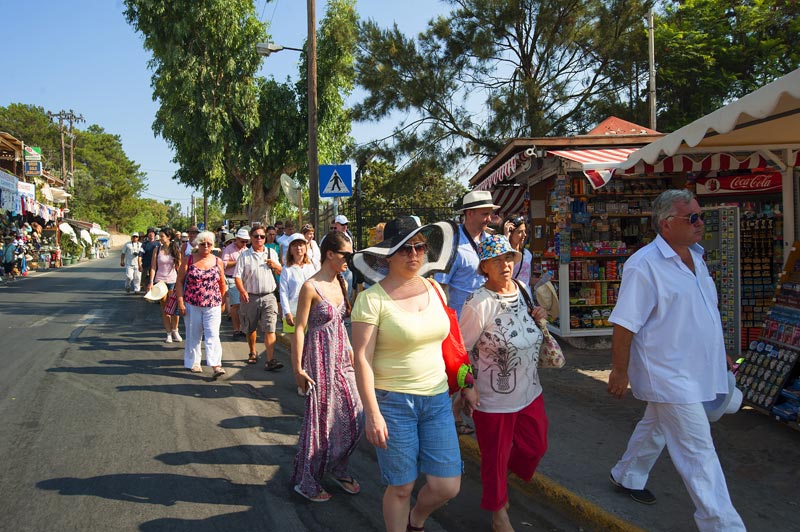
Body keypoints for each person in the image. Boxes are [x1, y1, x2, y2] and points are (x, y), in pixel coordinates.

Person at [607, 190, 745, 531]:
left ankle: (628, 474)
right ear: (667, 224)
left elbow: (702, 311)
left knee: (657, 427)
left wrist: (719, 350)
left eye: (700, 216)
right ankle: (723, 525)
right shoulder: (644, 265)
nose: (701, 223)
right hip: (668, 374)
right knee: (699, 453)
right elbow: (625, 324)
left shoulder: (696, 258)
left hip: (693, 368)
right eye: (693, 218)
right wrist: (619, 371)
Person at [351, 216, 475, 532]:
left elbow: (451, 342)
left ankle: (416, 520)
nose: (414, 255)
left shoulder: (435, 288)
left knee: (448, 485)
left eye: (419, 247)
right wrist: (372, 414)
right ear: (387, 255)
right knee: (402, 486)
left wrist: (466, 383)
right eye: (405, 249)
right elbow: (361, 360)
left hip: (436, 400)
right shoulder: (370, 300)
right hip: (393, 403)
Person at [459, 234, 548, 532]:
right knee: (494, 458)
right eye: (496, 260)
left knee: (534, 447)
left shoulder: (522, 289)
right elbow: (461, 350)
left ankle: (498, 482)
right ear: (484, 266)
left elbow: (528, 325)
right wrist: (466, 386)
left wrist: (539, 317)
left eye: (508, 258)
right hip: (493, 399)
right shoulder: (478, 303)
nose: (505, 264)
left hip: (530, 390)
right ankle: (499, 513)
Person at [290, 231, 364, 502]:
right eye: (346, 254)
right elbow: (300, 328)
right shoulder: (311, 287)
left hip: (342, 359)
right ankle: (307, 481)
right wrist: (297, 368)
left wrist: (353, 351)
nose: (349, 259)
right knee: (321, 423)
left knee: (356, 417)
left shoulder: (343, 282)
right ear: (330, 254)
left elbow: (343, 324)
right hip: (319, 360)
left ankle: (337, 466)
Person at [435, 190, 500, 435]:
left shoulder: (490, 241)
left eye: (490, 213)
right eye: (484, 213)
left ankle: (466, 414)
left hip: (491, 319)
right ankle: (452, 416)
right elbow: (442, 286)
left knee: (482, 372)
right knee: (463, 373)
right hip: (462, 324)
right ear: (469, 213)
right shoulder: (453, 246)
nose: (488, 218)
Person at [175, 230, 227, 376]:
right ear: (198, 244)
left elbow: (222, 283)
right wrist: (180, 302)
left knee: (213, 334)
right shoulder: (189, 260)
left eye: (209, 244)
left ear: (212, 246)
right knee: (194, 334)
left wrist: (223, 301)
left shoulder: (218, 261)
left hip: (213, 304)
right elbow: (179, 281)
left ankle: (216, 365)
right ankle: (194, 362)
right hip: (192, 304)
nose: (205, 246)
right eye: (203, 243)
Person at [234, 225, 284, 371]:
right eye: (256, 236)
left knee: (270, 327)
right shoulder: (244, 255)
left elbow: (282, 272)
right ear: (251, 238)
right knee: (251, 327)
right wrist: (242, 291)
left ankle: (270, 360)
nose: (259, 239)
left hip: (269, 296)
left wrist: (275, 266)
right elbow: (237, 276)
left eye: (262, 236)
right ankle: (253, 351)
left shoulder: (271, 253)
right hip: (251, 296)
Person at [279, 233, 317, 349]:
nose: (298, 248)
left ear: (306, 248)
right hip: (293, 313)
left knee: (311, 344)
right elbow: (283, 292)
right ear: (290, 249)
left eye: (301, 245)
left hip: (311, 311)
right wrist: (287, 312)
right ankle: (297, 367)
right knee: (297, 346)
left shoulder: (312, 266)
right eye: (295, 246)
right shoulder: (287, 269)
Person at [147, 228, 183, 343]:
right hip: (160, 281)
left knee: (175, 309)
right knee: (165, 309)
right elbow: (153, 267)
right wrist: (151, 282)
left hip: (173, 281)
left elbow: (179, 267)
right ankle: (168, 333)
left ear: (168, 237)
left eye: (162, 236)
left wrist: (180, 282)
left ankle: (175, 330)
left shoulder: (175, 249)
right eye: (160, 236)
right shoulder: (156, 250)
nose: (160, 238)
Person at [222, 228, 250, 339]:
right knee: (236, 305)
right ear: (236, 239)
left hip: (244, 280)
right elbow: (223, 264)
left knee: (244, 305)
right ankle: (236, 329)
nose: (244, 243)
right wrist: (238, 262)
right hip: (232, 279)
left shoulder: (246, 250)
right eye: (242, 241)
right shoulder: (229, 249)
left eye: (246, 241)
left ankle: (243, 328)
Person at [503, 215, 533, 296]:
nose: (524, 235)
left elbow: (527, 279)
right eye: (519, 232)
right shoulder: (503, 254)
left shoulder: (527, 254)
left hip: (526, 297)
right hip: (509, 296)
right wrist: (505, 238)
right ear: (510, 233)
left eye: (525, 231)